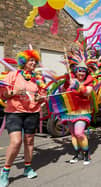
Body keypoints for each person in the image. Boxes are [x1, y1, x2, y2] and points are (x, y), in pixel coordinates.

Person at [0, 49, 47, 187]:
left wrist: (40, 98)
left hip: (32, 112)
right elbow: (3, 95)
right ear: (24, 61)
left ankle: (27, 167)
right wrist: (14, 92)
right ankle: (5, 172)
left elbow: (41, 96)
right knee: (16, 142)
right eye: (31, 60)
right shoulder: (13, 75)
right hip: (14, 112)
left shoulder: (37, 79)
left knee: (29, 140)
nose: (33, 63)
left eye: (35, 61)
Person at [60, 61, 94, 165]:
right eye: (79, 71)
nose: (81, 73)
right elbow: (63, 92)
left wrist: (77, 85)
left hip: (82, 111)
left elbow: (87, 92)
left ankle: (86, 154)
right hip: (70, 111)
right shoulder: (71, 80)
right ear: (76, 71)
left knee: (79, 133)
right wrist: (67, 84)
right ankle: (77, 154)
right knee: (74, 134)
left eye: (84, 71)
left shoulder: (89, 82)